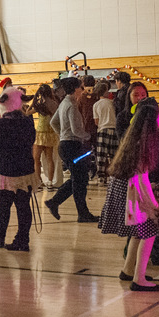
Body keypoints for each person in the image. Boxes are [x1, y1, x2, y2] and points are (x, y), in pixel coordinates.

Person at [97, 97, 159, 291]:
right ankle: (139, 279)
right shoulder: (145, 144)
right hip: (132, 190)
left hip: (122, 188)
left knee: (138, 232)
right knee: (149, 231)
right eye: (158, 120)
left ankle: (128, 270)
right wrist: (154, 206)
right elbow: (142, 180)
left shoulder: (132, 139)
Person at [0, 86, 36, 251]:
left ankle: (0, 235)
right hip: (25, 170)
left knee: (3, 207)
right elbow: (32, 139)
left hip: (6, 171)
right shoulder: (27, 121)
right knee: (24, 207)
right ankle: (23, 239)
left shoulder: (2, 124)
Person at [45, 76, 98, 223]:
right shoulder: (72, 105)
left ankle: (54, 202)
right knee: (80, 180)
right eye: (81, 87)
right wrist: (88, 136)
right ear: (76, 89)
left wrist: (62, 134)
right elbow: (76, 130)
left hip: (66, 145)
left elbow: (53, 122)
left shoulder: (64, 103)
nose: (82, 89)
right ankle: (82, 213)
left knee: (78, 178)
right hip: (73, 146)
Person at [31, 83, 63, 189]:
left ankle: (38, 180)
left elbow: (27, 112)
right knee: (49, 158)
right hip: (50, 132)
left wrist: (32, 103)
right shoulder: (54, 103)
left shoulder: (39, 105)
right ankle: (50, 181)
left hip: (40, 132)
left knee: (36, 158)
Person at [92, 80, 118, 185]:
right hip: (114, 130)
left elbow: (96, 121)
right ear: (106, 92)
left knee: (101, 156)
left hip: (103, 130)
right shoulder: (113, 103)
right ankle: (113, 177)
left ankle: (101, 178)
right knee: (114, 155)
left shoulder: (96, 105)